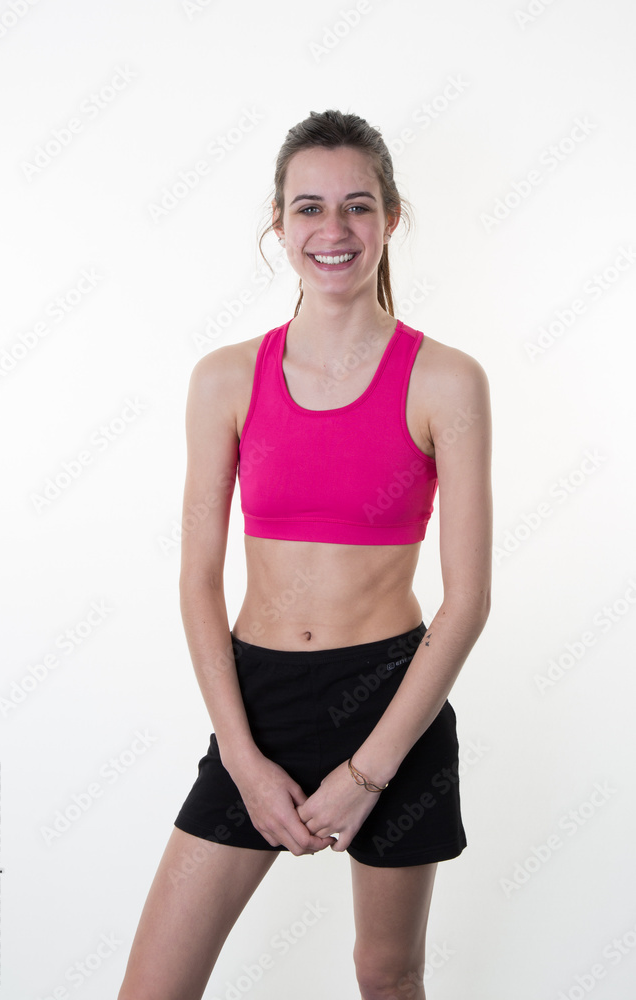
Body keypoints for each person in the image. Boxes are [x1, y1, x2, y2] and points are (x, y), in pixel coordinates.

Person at [117, 109, 492, 1000]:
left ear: (390, 218)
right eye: (308, 208)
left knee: (386, 974)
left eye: (358, 207)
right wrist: (244, 764)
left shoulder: (446, 379)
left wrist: (370, 772)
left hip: (396, 703)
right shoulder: (224, 379)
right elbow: (197, 583)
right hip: (260, 704)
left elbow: (468, 598)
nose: (333, 231)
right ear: (278, 225)